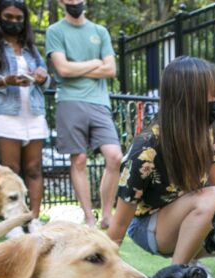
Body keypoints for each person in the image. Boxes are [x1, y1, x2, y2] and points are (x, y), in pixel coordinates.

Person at [108, 56, 215, 264]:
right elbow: (121, 223)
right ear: (185, 97)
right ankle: (175, 276)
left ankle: (191, 263)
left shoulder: (203, 133)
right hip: (149, 226)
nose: (213, 101)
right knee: (214, 197)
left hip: (188, 216)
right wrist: (105, 268)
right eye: (208, 94)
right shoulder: (146, 148)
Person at [0, 0, 50, 237]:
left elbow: (47, 82)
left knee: (34, 168)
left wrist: (43, 76)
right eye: (9, 16)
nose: (14, 21)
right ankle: (13, 224)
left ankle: (32, 220)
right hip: (5, 112)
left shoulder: (30, 48)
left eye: (18, 18)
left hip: (33, 112)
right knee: (11, 169)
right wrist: (4, 80)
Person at [46, 0, 122, 229]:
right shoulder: (55, 31)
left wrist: (76, 67)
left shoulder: (100, 31)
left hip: (99, 103)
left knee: (115, 156)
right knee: (78, 159)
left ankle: (107, 214)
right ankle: (89, 217)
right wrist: (94, 63)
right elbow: (63, 69)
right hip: (69, 101)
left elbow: (111, 70)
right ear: (61, 2)